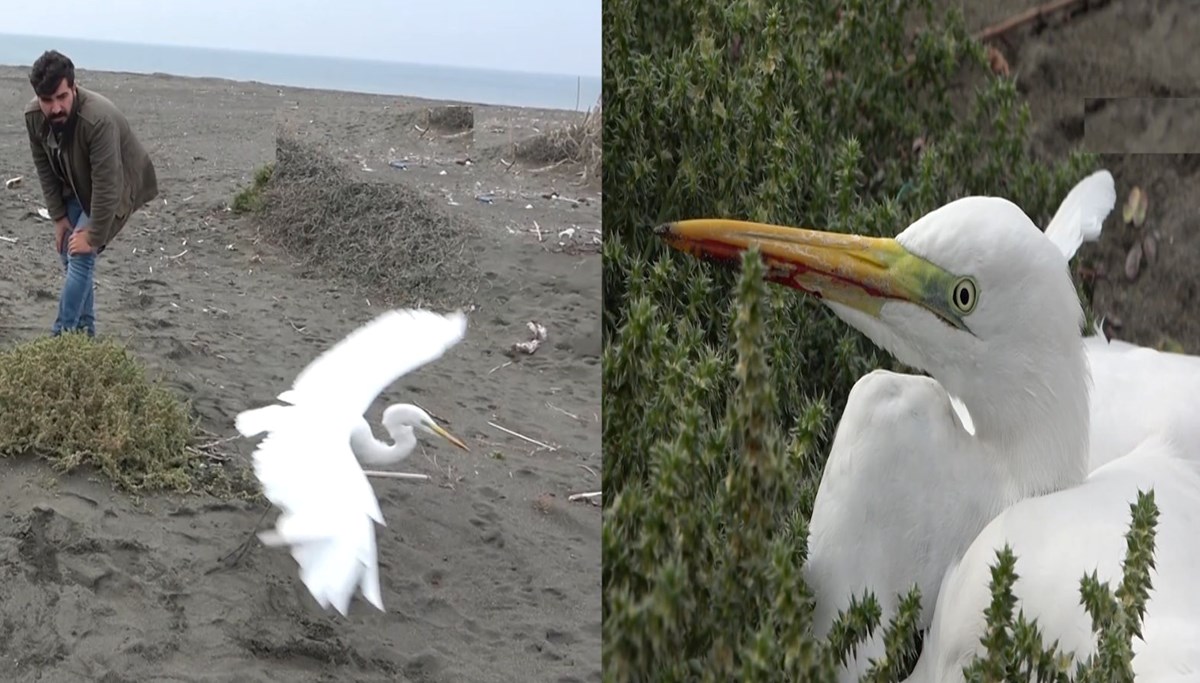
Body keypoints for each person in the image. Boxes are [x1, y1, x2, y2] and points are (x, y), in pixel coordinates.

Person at [24, 49, 158, 338]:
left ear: (73, 87)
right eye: (47, 100)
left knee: (82, 255)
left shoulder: (97, 119)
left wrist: (94, 234)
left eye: (62, 97)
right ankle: (86, 333)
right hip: (75, 181)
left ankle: (61, 338)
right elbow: (44, 167)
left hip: (120, 183)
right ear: (38, 97)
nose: (55, 107)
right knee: (68, 251)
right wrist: (59, 217)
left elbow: (108, 184)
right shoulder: (34, 117)